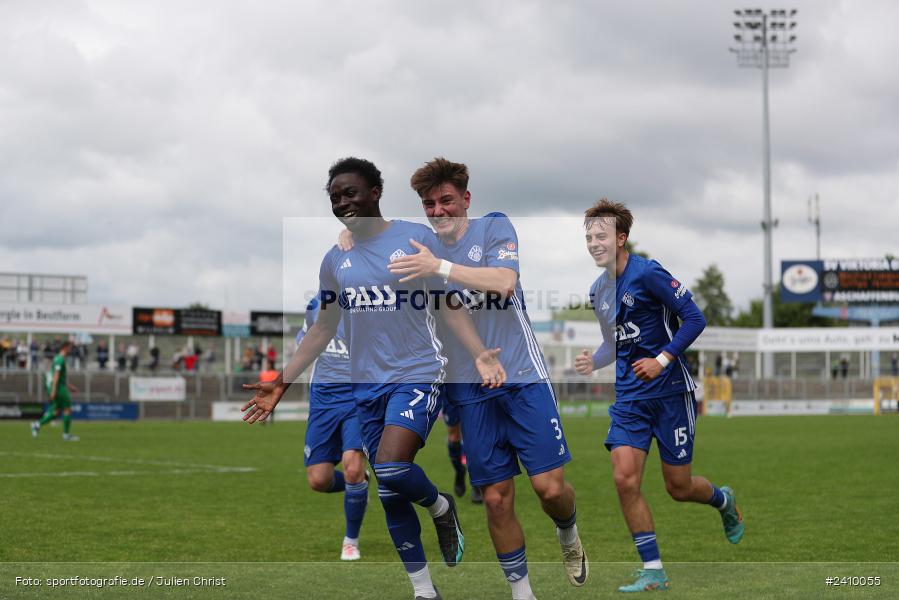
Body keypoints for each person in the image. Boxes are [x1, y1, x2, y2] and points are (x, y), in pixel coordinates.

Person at [242, 157, 506, 600]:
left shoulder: (415, 238)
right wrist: (283, 381)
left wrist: (479, 353)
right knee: (389, 490)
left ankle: (441, 505)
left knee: (392, 467)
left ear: (375, 193)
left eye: (351, 193)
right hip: (364, 387)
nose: (343, 202)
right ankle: (424, 591)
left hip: (419, 373)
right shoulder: (334, 260)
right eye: (336, 197)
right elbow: (323, 328)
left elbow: (449, 303)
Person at [339, 157, 585, 599]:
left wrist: (441, 268)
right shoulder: (416, 247)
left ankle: (567, 530)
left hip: (523, 374)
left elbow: (504, 282)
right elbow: (374, 239)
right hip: (469, 387)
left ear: (465, 199)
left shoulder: (493, 227)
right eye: (430, 204)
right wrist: (347, 236)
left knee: (550, 490)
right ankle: (522, 593)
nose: (439, 210)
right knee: (494, 498)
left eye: (447, 200)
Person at [576, 199, 743, 592]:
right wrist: (593, 360)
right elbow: (613, 344)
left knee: (678, 487)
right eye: (588, 237)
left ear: (621, 238)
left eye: (601, 235)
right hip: (631, 400)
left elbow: (695, 318)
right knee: (624, 479)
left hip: (670, 393)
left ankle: (723, 501)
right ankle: (653, 569)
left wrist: (662, 359)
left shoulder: (648, 273)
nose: (593, 243)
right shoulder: (597, 291)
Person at [296, 298, 369, 560]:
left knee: (351, 466)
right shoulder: (315, 307)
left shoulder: (370, 306)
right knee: (318, 480)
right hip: (323, 402)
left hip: (357, 399)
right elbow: (304, 343)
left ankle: (351, 541)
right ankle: (360, 484)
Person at [31, 340, 80, 441]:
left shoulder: (58, 358)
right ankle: (66, 435)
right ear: (65, 348)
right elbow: (56, 376)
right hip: (59, 388)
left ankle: (37, 424)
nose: (71, 350)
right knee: (67, 409)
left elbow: (59, 376)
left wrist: (70, 387)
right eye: (70, 348)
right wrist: (53, 390)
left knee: (57, 412)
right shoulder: (60, 360)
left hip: (59, 386)